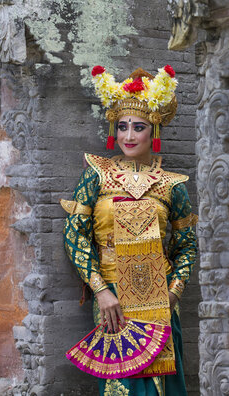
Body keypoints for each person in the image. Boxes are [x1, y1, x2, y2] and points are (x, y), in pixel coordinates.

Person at [62, 65, 197, 395]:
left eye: (138, 127)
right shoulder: (97, 175)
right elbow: (74, 234)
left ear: (153, 131)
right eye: (121, 127)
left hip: (160, 296)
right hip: (112, 295)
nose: (128, 136)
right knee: (120, 386)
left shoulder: (172, 185)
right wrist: (100, 289)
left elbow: (187, 245)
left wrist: (173, 292)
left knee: (163, 385)